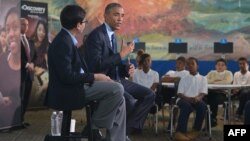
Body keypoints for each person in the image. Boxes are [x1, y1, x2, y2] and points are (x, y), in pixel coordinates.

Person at [44, 5, 127, 141]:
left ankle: (117, 139)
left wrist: (96, 78)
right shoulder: (62, 43)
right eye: (84, 22)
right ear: (78, 25)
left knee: (120, 98)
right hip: (70, 91)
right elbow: (67, 77)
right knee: (117, 89)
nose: (84, 25)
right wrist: (95, 76)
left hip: (79, 86)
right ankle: (93, 127)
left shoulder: (67, 40)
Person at [83, 2, 155, 135]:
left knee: (149, 95)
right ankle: (102, 132)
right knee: (130, 101)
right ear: (105, 16)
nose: (120, 19)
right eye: (116, 15)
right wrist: (121, 54)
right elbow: (95, 66)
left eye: (122, 15)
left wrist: (125, 69)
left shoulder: (112, 35)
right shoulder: (96, 36)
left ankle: (124, 132)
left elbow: (112, 64)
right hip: (102, 81)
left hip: (117, 78)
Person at [174, 57, 208, 141]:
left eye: (192, 63)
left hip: (196, 99)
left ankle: (195, 130)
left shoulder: (203, 78)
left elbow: (203, 93)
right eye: (188, 64)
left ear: (197, 66)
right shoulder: (184, 78)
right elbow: (180, 93)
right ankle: (180, 132)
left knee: (203, 106)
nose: (190, 66)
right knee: (186, 106)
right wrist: (188, 99)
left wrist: (198, 98)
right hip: (183, 99)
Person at [0, 7, 22, 129]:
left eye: (15, 28)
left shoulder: (29, 65)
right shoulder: (1, 61)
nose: (11, 34)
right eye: (8, 29)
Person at [205, 58, 233, 127]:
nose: (220, 66)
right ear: (215, 66)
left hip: (222, 94)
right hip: (210, 92)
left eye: (222, 65)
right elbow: (205, 80)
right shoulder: (212, 72)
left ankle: (212, 119)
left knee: (214, 99)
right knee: (204, 99)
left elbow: (226, 82)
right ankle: (210, 119)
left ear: (226, 67)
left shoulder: (228, 73)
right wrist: (216, 80)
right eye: (218, 65)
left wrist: (212, 81)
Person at [20, 18, 37, 127]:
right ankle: (15, 121)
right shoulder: (13, 40)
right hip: (19, 74)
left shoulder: (29, 40)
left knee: (26, 98)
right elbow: (15, 56)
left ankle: (21, 119)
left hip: (29, 75)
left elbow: (35, 56)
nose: (26, 26)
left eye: (27, 24)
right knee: (19, 98)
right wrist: (27, 65)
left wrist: (33, 64)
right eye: (23, 24)